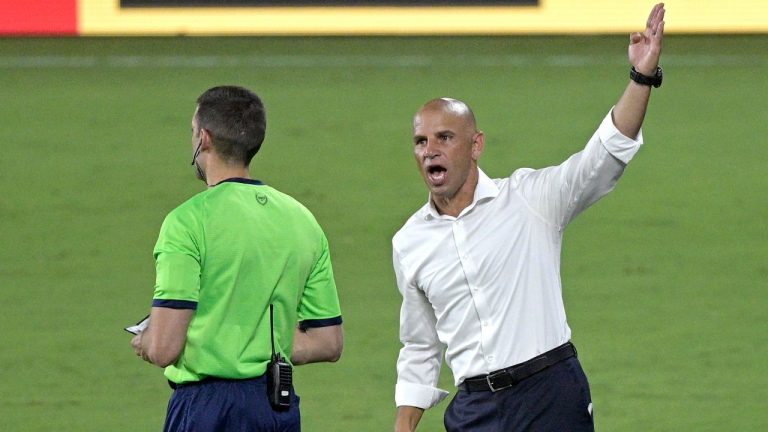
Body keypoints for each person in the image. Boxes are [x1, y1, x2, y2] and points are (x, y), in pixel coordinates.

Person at [393, 4, 666, 431]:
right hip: (475, 409)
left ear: (476, 144)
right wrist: (404, 425)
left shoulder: (527, 199)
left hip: (549, 394)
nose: (430, 150)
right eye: (420, 141)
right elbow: (419, 345)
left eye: (445, 137)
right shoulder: (409, 242)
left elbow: (604, 155)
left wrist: (641, 77)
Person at [131, 85, 343, 432]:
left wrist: (148, 341)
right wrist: (256, 341)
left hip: (205, 409)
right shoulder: (303, 220)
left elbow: (164, 348)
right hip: (276, 407)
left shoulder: (187, 222)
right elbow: (327, 342)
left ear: (205, 138)